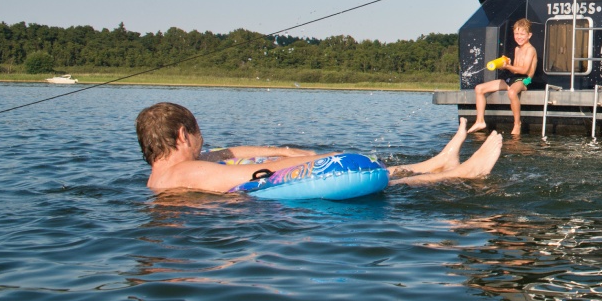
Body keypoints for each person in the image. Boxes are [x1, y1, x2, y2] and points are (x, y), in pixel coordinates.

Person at [136, 101, 502, 194]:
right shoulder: (187, 171)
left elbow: (231, 155)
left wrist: (289, 151)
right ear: (182, 135)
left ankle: (439, 162)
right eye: (199, 134)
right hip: (258, 203)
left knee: (374, 179)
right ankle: (459, 173)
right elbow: (256, 174)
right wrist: (326, 158)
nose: (204, 142)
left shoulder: (166, 174)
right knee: (366, 178)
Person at [472, 18, 537, 138]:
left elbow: (524, 70)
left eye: (522, 34)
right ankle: (480, 121)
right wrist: (505, 65)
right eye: (516, 34)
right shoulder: (517, 49)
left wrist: (508, 66)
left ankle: (517, 124)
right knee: (479, 89)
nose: (519, 37)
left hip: (524, 80)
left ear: (529, 35)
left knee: (512, 92)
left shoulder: (530, 50)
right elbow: (515, 69)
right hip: (513, 78)